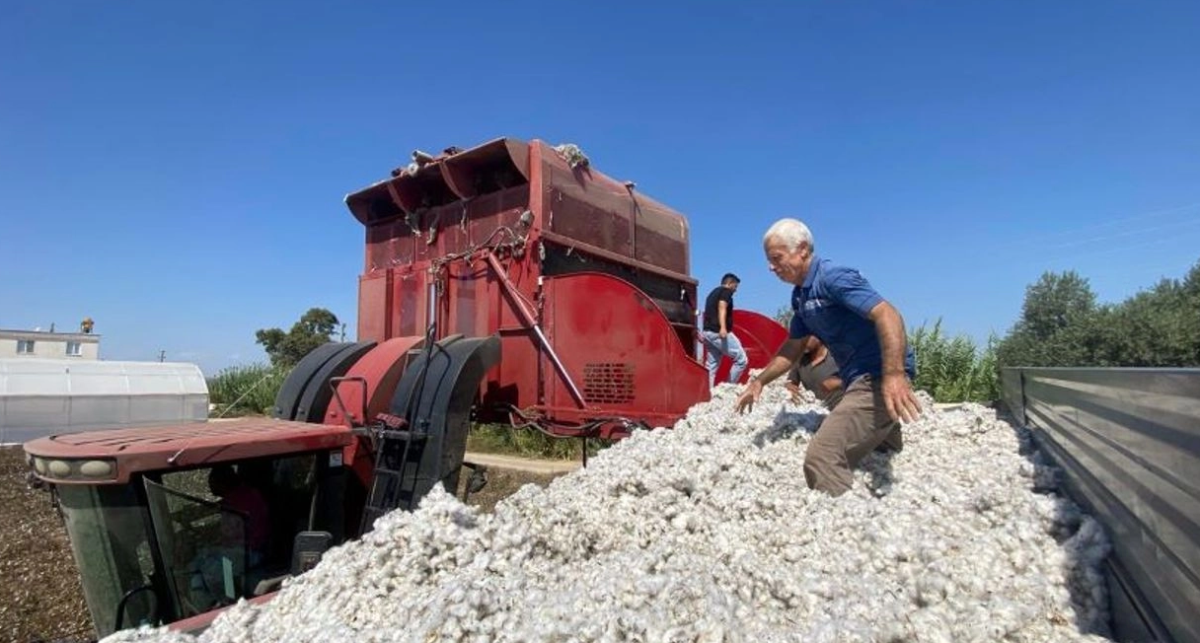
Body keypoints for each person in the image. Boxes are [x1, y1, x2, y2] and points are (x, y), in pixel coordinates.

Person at [736, 218, 921, 496]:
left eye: (776, 258)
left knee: (821, 457)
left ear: (802, 250)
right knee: (879, 448)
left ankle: (842, 527)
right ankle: (887, 442)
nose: (771, 267)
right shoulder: (800, 297)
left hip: (875, 378)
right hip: (855, 382)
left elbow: (887, 314)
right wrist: (759, 381)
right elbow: (792, 348)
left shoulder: (833, 277)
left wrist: (894, 375)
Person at [700, 273, 750, 387]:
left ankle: (708, 395)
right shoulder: (726, 291)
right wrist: (723, 328)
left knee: (711, 365)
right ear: (729, 283)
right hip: (718, 332)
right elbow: (722, 307)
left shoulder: (712, 294)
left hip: (708, 332)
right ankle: (728, 389)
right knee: (741, 360)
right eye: (735, 287)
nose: (735, 290)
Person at [785, 336, 845, 410]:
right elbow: (791, 382)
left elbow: (859, 379)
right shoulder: (800, 361)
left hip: (845, 408)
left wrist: (839, 383)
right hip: (819, 412)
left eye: (806, 337)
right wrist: (790, 387)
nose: (803, 341)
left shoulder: (837, 356)